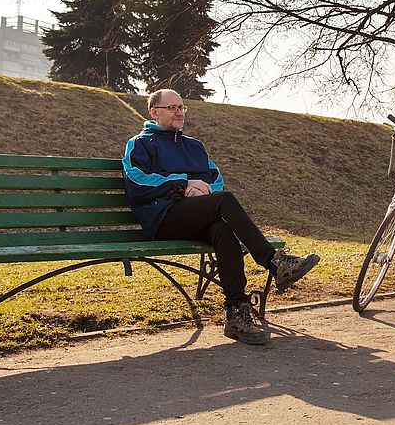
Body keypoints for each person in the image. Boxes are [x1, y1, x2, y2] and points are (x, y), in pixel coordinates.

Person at [122, 89, 320, 345]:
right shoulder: (139, 143)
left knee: (222, 231)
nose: (179, 112)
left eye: (182, 107)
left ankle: (236, 312)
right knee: (224, 200)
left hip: (197, 214)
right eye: (172, 108)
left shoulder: (194, 146)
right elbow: (137, 182)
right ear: (154, 112)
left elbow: (216, 179)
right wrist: (183, 185)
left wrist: (202, 190)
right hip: (163, 217)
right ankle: (274, 262)